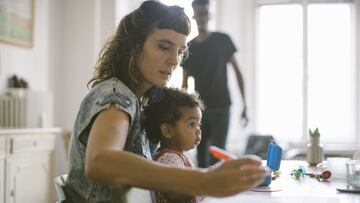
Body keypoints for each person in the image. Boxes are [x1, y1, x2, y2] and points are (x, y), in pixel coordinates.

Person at [65, 1, 268, 202]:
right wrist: (203, 180)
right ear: (135, 48)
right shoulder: (117, 96)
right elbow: (100, 161)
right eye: (164, 47)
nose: (174, 60)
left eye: (180, 51)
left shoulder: (139, 101)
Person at [182, 0, 248, 168]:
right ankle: (202, 194)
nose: (202, 17)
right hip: (200, 109)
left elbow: (238, 73)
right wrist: (183, 112)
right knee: (200, 154)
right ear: (194, 16)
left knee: (218, 155)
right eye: (199, 13)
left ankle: (217, 193)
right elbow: (184, 84)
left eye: (205, 13)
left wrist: (245, 105)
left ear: (209, 15)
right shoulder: (189, 47)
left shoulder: (222, 40)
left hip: (222, 106)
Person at [143, 87, 205, 203]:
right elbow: (176, 193)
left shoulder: (177, 156)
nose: (198, 131)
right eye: (191, 125)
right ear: (168, 131)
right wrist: (207, 183)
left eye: (199, 125)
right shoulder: (168, 158)